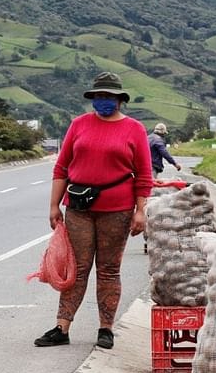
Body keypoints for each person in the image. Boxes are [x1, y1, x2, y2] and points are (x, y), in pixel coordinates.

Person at [35, 71, 153, 350]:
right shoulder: (79, 125)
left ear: (119, 100)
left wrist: (140, 211)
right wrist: (54, 205)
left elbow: (144, 175)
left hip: (118, 210)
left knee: (109, 269)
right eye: (99, 96)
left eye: (109, 97)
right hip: (78, 209)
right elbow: (62, 167)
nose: (103, 101)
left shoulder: (134, 129)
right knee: (77, 269)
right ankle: (62, 327)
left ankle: (106, 328)